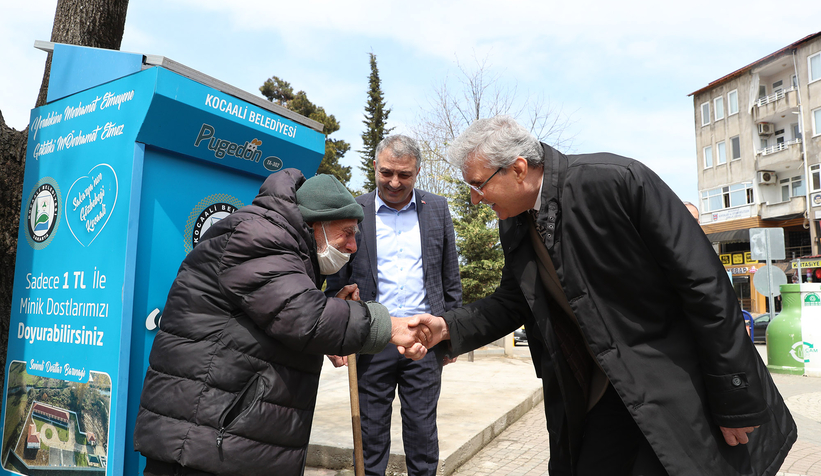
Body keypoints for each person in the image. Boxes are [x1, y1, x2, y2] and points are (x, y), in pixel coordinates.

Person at [407, 115, 796, 476]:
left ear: (519, 169)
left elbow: (706, 287)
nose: (475, 198)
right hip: (599, 392)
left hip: (676, 385)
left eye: (478, 185)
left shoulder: (615, 181)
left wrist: (735, 398)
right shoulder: (514, 224)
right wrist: (446, 327)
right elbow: (513, 301)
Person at [133, 170, 430, 476]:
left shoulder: (288, 247)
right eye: (347, 233)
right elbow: (304, 316)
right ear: (318, 224)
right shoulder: (257, 236)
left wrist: (334, 321)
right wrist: (388, 326)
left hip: (225, 442)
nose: (353, 246)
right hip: (202, 445)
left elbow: (282, 316)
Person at [325, 135, 462, 476]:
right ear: (375, 167)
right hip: (373, 339)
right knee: (370, 440)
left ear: (418, 171)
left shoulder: (438, 209)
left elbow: (450, 275)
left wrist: (453, 334)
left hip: (424, 340)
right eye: (386, 172)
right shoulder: (354, 210)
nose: (395, 182)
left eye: (405, 174)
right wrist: (336, 332)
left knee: (422, 435)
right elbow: (337, 282)